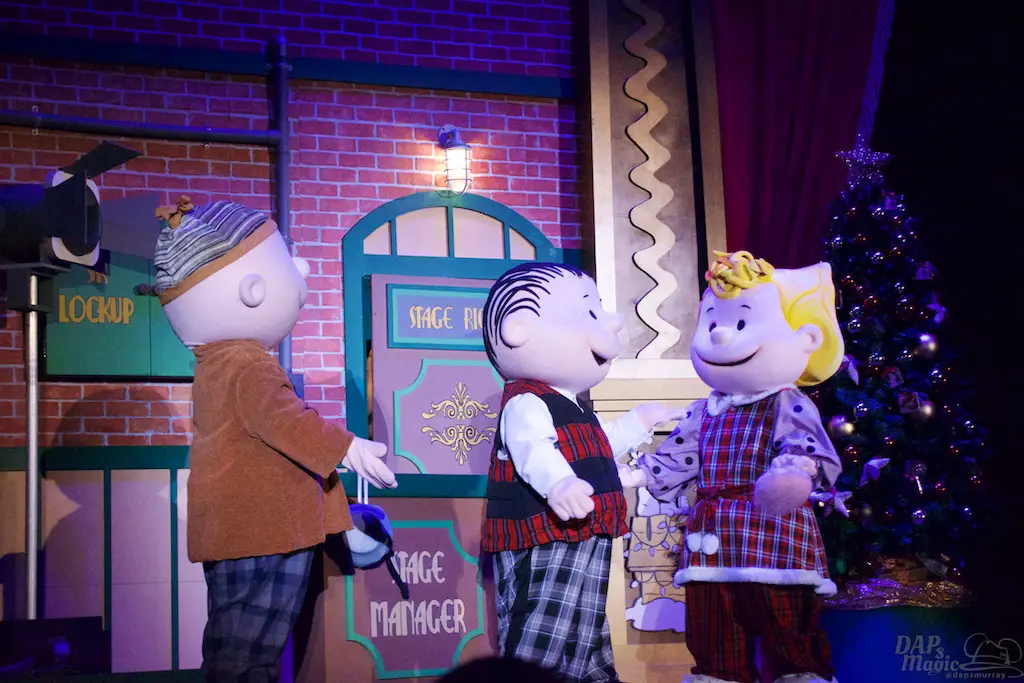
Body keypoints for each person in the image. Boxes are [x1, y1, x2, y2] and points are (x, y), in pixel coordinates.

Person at [152, 196, 398, 682]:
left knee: (238, 644)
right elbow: (286, 421)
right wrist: (347, 448)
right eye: (286, 262)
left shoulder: (218, 364)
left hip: (246, 530)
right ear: (252, 288)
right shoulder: (246, 365)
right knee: (248, 651)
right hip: (262, 530)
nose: (301, 270)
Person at [623, 250, 844, 683]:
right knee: (716, 638)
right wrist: (637, 474)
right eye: (712, 324)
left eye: (741, 324)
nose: (721, 335)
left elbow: (803, 446)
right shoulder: (705, 410)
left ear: (805, 339)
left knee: (788, 633)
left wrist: (793, 473)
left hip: (773, 536)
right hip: (712, 543)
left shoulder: (786, 401)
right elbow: (679, 456)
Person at [480, 262, 683, 683]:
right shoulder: (526, 401)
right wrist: (559, 483)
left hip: (586, 534)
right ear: (519, 330)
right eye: (589, 312)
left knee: (584, 632)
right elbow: (533, 448)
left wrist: (640, 420)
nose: (610, 321)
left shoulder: (572, 404)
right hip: (544, 535)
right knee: (543, 631)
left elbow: (599, 444)